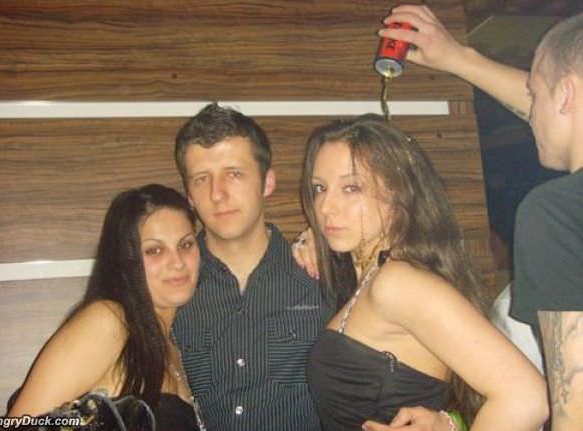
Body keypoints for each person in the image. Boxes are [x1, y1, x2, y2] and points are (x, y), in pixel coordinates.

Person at [378, 5, 583, 430]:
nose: (530, 114)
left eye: (534, 94)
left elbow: (575, 409)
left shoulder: (555, 211)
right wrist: (458, 58)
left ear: (565, 95)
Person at [298, 114, 547, 430]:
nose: (325, 207)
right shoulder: (372, 279)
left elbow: (527, 397)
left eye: (351, 187)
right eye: (320, 188)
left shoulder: (397, 283)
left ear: (398, 193)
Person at [171, 103, 332, 430]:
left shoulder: (324, 275)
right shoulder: (169, 289)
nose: (217, 194)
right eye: (202, 179)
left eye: (234, 174)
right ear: (189, 196)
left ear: (267, 182)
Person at [7, 184, 202, 431]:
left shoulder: (171, 345)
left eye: (185, 245)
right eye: (154, 250)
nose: (177, 263)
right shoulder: (109, 321)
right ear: (125, 258)